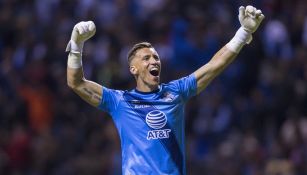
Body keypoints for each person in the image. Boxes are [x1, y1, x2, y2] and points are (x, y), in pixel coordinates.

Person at [65, 5, 264, 175]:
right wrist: (77, 45)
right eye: (146, 58)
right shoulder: (120, 101)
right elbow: (77, 83)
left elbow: (213, 66)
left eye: (156, 57)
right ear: (133, 69)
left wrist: (243, 34)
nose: (154, 61)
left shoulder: (176, 92)